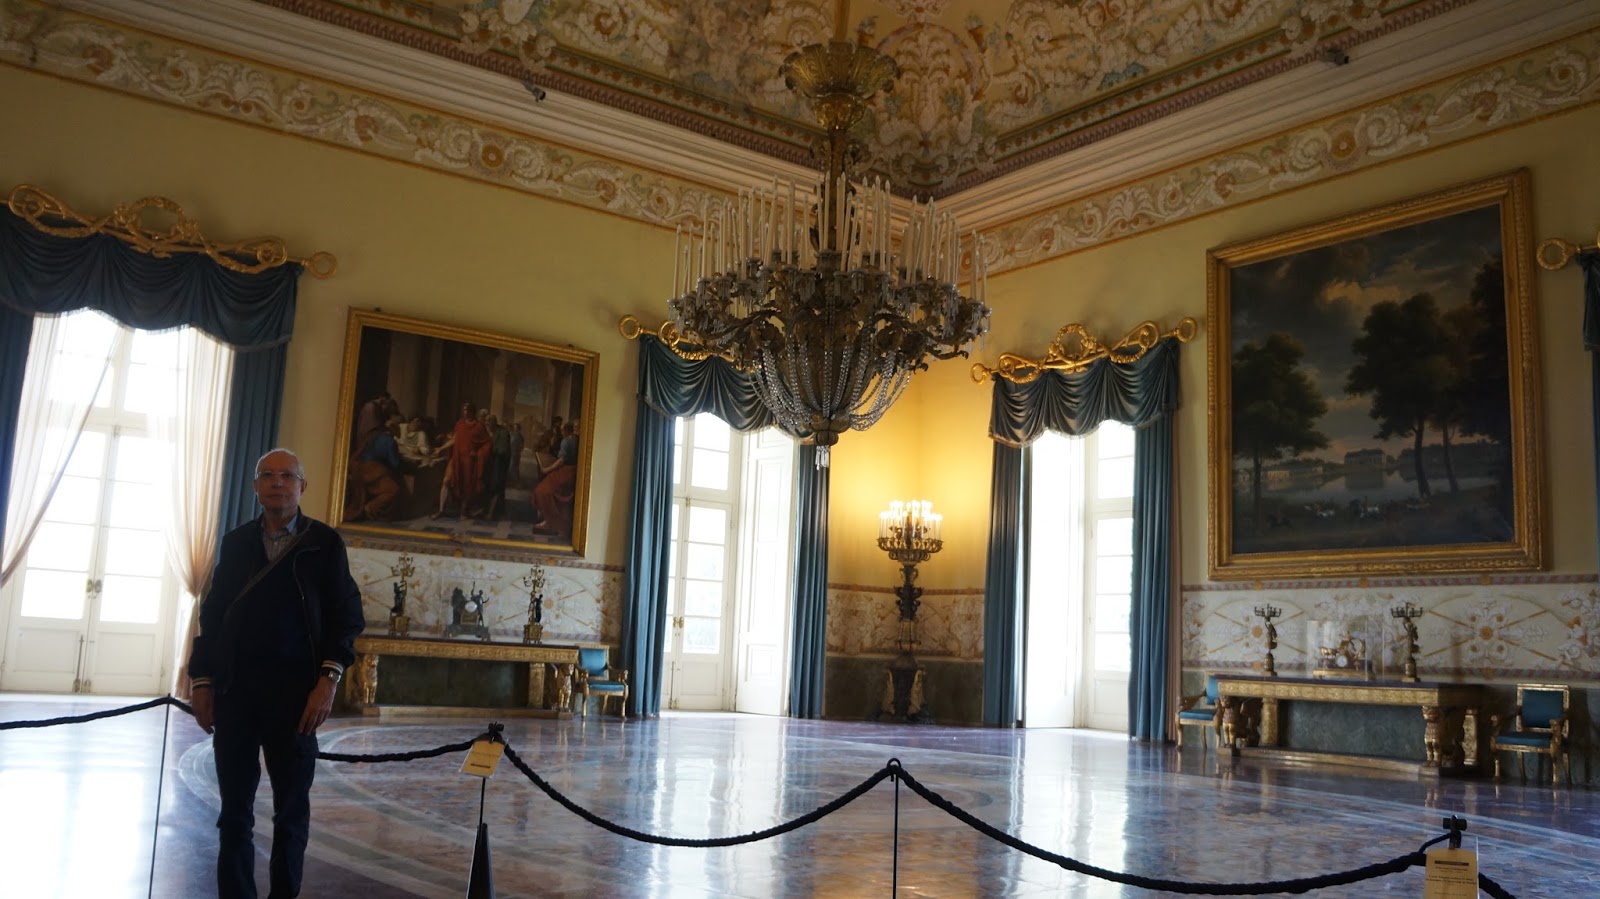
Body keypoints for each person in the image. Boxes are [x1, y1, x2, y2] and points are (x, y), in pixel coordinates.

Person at [188, 448, 365, 899]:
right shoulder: (236, 542)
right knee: (234, 813)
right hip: (237, 693)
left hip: (297, 697)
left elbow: (346, 617)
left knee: (290, 813)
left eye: (287, 475)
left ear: (302, 486)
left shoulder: (324, 543)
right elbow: (214, 613)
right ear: (255, 487)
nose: (277, 482)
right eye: (267, 475)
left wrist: (328, 681)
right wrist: (202, 679)